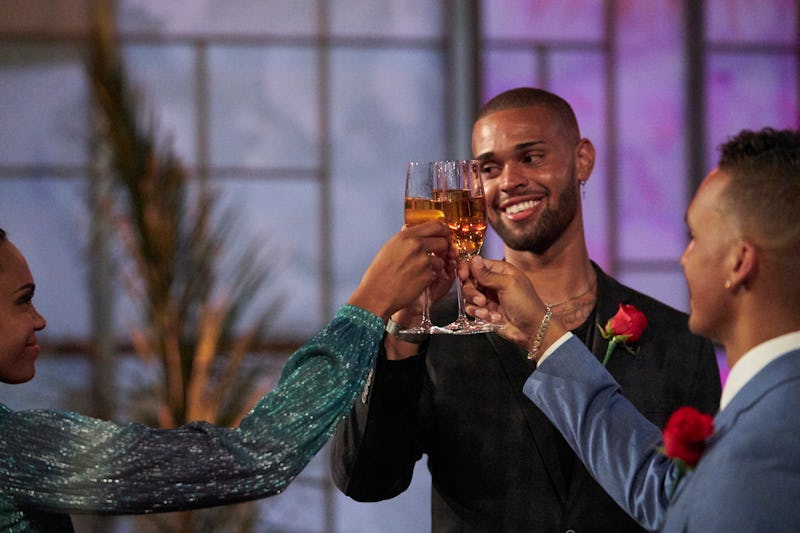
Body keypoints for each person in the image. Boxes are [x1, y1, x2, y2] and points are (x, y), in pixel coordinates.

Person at [330, 87, 722, 532]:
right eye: (489, 168)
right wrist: (401, 329)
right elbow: (367, 480)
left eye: (531, 157)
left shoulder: (676, 341)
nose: (509, 181)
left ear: (583, 160)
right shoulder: (435, 335)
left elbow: (703, 505)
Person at [0, 221, 455, 532]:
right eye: (23, 300)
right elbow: (255, 458)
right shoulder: (11, 449)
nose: (39, 320)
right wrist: (368, 304)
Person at [463, 127, 800, 532]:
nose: (684, 258)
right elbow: (665, 494)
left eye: (695, 237)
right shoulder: (770, 404)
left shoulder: (775, 434)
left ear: (739, 262)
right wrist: (543, 333)